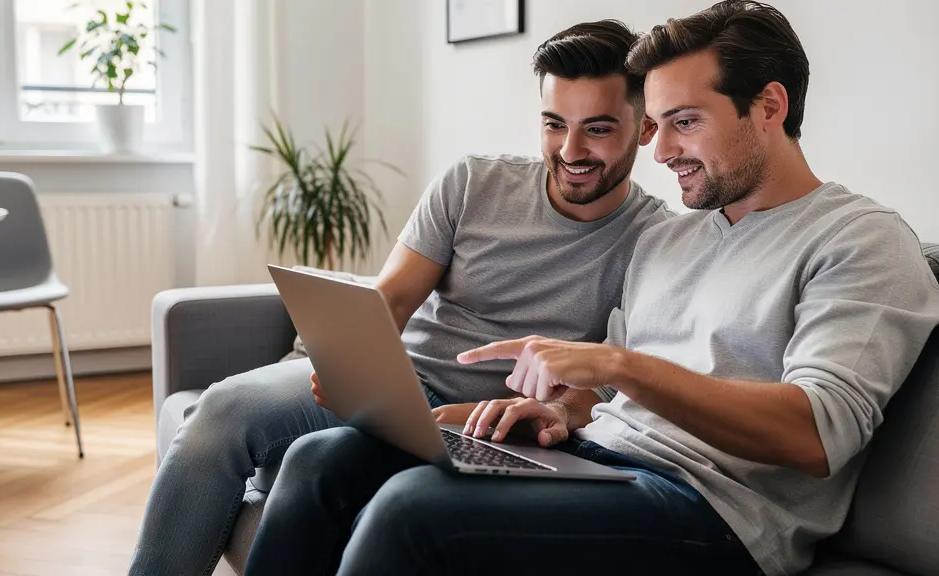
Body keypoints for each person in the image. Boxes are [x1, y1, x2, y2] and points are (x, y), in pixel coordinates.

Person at [240, 2, 939, 575]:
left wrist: (615, 365)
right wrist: (545, 413)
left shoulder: (861, 241)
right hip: (595, 460)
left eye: (685, 122)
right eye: (658, 124)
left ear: (768, 105)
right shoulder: (670, 238)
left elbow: (819, 433)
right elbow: (598, 400)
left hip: (715, 514)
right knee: (323, 459)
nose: (662, 150)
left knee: (410, 510)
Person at [129, 19, 674, 576]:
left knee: (319, 463)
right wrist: (352, 368)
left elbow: (611, 379)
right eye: (554, 124)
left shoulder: (657, 242)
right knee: (218, 412)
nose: (571, 149)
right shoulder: (472, 183)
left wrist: (553, 411)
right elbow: (388, 302)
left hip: (483, 419)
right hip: (396, 381)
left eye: (599, 129)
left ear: (647, 128)